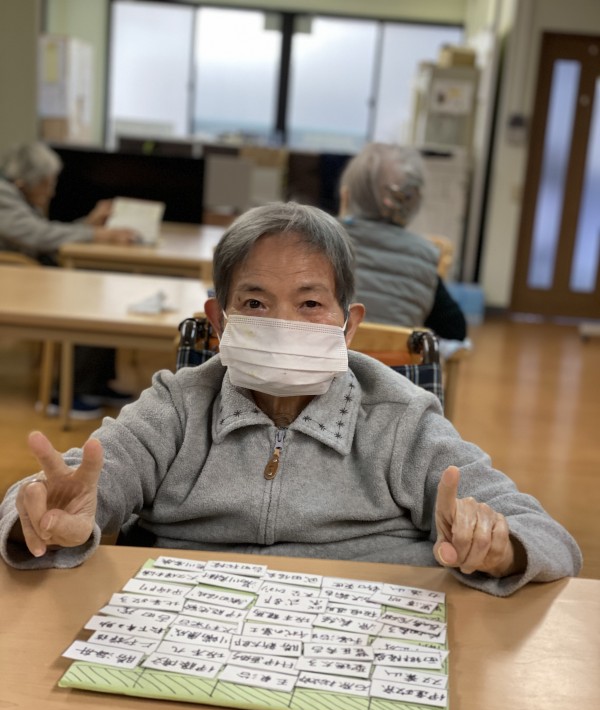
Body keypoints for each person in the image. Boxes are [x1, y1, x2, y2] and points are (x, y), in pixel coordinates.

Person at [0, 202, 581, 597]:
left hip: (358, 644)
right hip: (194, 632)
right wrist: (41, 516)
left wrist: (501, 547)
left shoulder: (401, 417)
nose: (284, 324)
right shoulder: (177, 406)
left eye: (310, 304)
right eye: (255, 303)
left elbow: (548, 537)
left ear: (349, 325)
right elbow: (71, 487)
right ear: (218, 321)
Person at [0, 142, 138, 418]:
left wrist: (89, 224)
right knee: (88, 299)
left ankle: (96, 383)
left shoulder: (17, 196)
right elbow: (38, 236)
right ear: (24, 181)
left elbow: (43, 233)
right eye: (46, 183)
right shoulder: (3, 196)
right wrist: (96, 234)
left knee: (99, 289)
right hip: (16, 283)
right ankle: (69, 393)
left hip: (30, 277)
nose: (51, 191)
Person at [339, 143, 467, 341]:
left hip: (329, 358)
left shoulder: (323, 240)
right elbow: (456, 330)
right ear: (413, 201)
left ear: (349, 193)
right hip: (392, 361)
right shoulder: (423, 256)